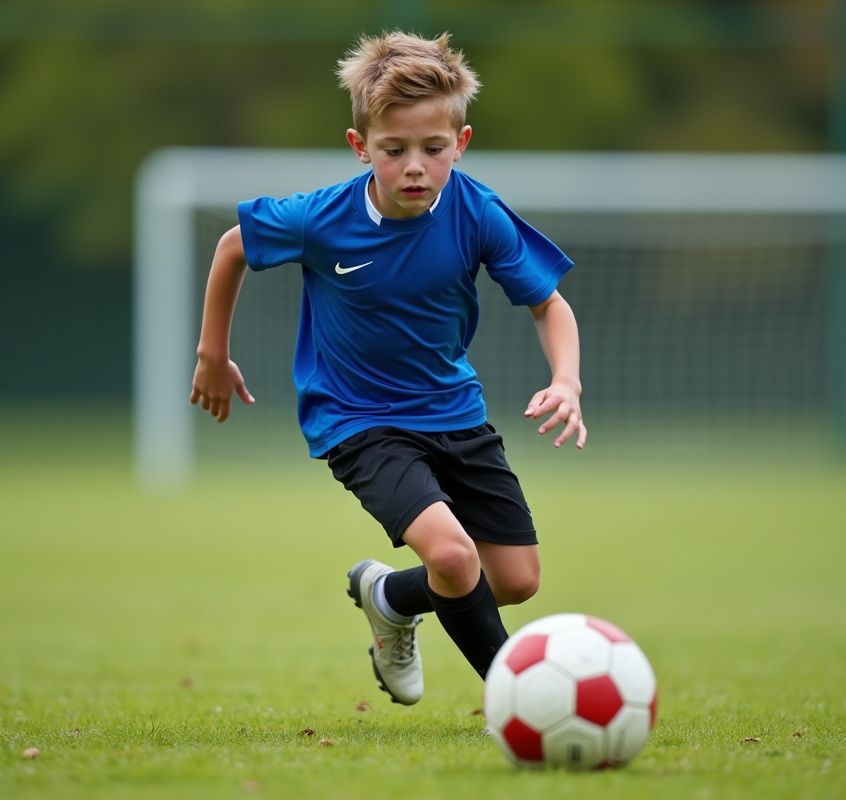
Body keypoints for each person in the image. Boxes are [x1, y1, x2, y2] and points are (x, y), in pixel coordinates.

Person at [189, 31, 584, 706]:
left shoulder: (476, 210)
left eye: (433, 150)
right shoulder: (321, 219)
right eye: (393, 150)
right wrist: (212, 355)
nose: (414, 168)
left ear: (459, 144)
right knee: (454, 558)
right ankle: (520, 702)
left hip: (456, 413)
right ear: (359, 146)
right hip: (359, 421)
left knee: (516, 580)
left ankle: (388, 596)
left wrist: (566, 380)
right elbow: (232, 247)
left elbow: (549, 305)